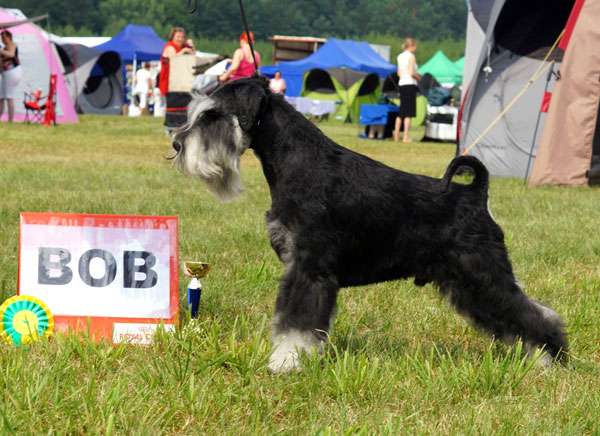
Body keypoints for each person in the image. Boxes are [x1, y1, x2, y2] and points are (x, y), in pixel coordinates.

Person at [394, 37, 420, 143]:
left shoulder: (399, 56)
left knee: (401, 111)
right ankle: (405, 136)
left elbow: (398, 73)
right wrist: (419, 78)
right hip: (410, 84)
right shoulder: (411, 56)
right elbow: (411, 72)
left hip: (402, 84)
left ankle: (396, 135)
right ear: (412, 46)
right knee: (409, 113)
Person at [159, 27, 194, 97]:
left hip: (180, 82)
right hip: (170, 83)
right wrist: (183, 51)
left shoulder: (184, 47)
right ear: (172, 37)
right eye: (178, 37)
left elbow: (193, 55)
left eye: (182, 37)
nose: (180, 39)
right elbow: (174, 60)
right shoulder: (170, 47)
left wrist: (191, 46)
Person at [0, 30, 23, 123]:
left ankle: (10, 120)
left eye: (4, 37)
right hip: (6, 73)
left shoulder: (13, 44)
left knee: (9, 96)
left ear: (9, 37)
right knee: (1, 96)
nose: (3, 39)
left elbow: (12, 54)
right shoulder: (4, 48)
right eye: (1, 38)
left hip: (13, 72)